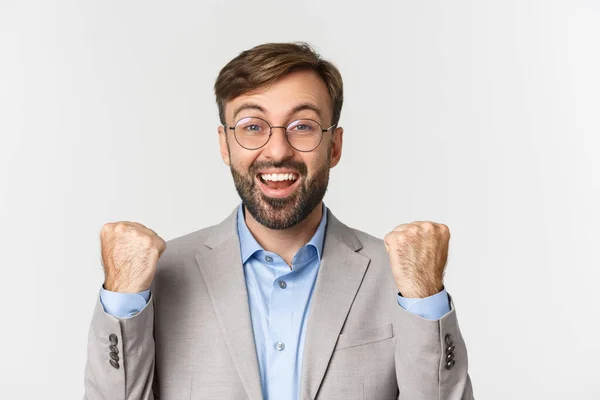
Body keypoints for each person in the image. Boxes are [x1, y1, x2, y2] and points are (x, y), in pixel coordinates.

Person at [83, 42, 474, 400]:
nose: (276, 150)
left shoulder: (401, 278)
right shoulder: (158, 277)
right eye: (252, 126)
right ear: (225, 144)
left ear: (333, 145)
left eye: (302, 126)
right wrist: (122, 298)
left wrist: (425, 300)